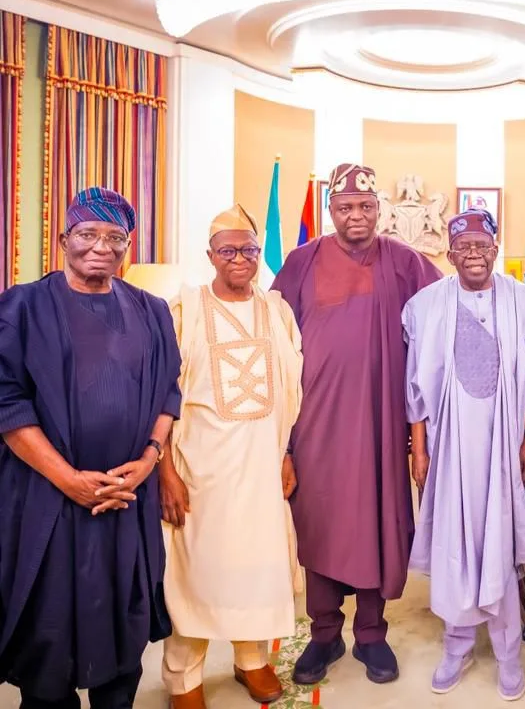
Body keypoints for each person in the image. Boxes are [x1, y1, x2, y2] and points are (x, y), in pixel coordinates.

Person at [0, 187, 180, 708]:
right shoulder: (22, 307)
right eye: (87, 234)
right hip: (46, 499)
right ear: (63, 240)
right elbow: (8, 403)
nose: (101, 246)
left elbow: (169, 392)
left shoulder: (151, 310)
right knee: (48, 632)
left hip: (126, 500)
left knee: (122, 627)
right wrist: (68, 480)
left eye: (114, 237)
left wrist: (148, 460)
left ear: (128, 245)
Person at [271, 163, 441, 685]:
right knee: (318, 522)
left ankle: (371, 634)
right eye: (345, 207)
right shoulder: (302, 262)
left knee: (376, 522)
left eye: (366, 206)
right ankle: (324, 634)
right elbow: (274, 339)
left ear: (379, 209)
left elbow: (444, 317)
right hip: (314, 426)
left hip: (381, 423)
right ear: (331, 210)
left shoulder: (405, 261)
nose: (357, 216)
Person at [159, 204, 305, 708]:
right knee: (195, 573)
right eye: (228, 250)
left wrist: (286, 453)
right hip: (201, 472)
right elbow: (160, 397)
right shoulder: (184, 311)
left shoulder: (277, 311)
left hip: (262, 468)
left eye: (248, 250)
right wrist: (165, 471)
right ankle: (184, 677)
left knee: (257, 568)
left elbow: (291, 393)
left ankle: (251, 660)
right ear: (210, 255)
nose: (239, 259)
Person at [404, 208, 525, 701]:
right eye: (463, 247)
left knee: (499, 542)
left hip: (503, 444)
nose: (473, 255)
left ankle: (508, 654)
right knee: (456, 541)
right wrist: (419, 448)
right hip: (450, 447)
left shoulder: (521, 302)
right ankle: (457, 646)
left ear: (495, 250)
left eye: (482, 246)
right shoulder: (427, 305)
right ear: (450, 254)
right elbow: (415, 386)